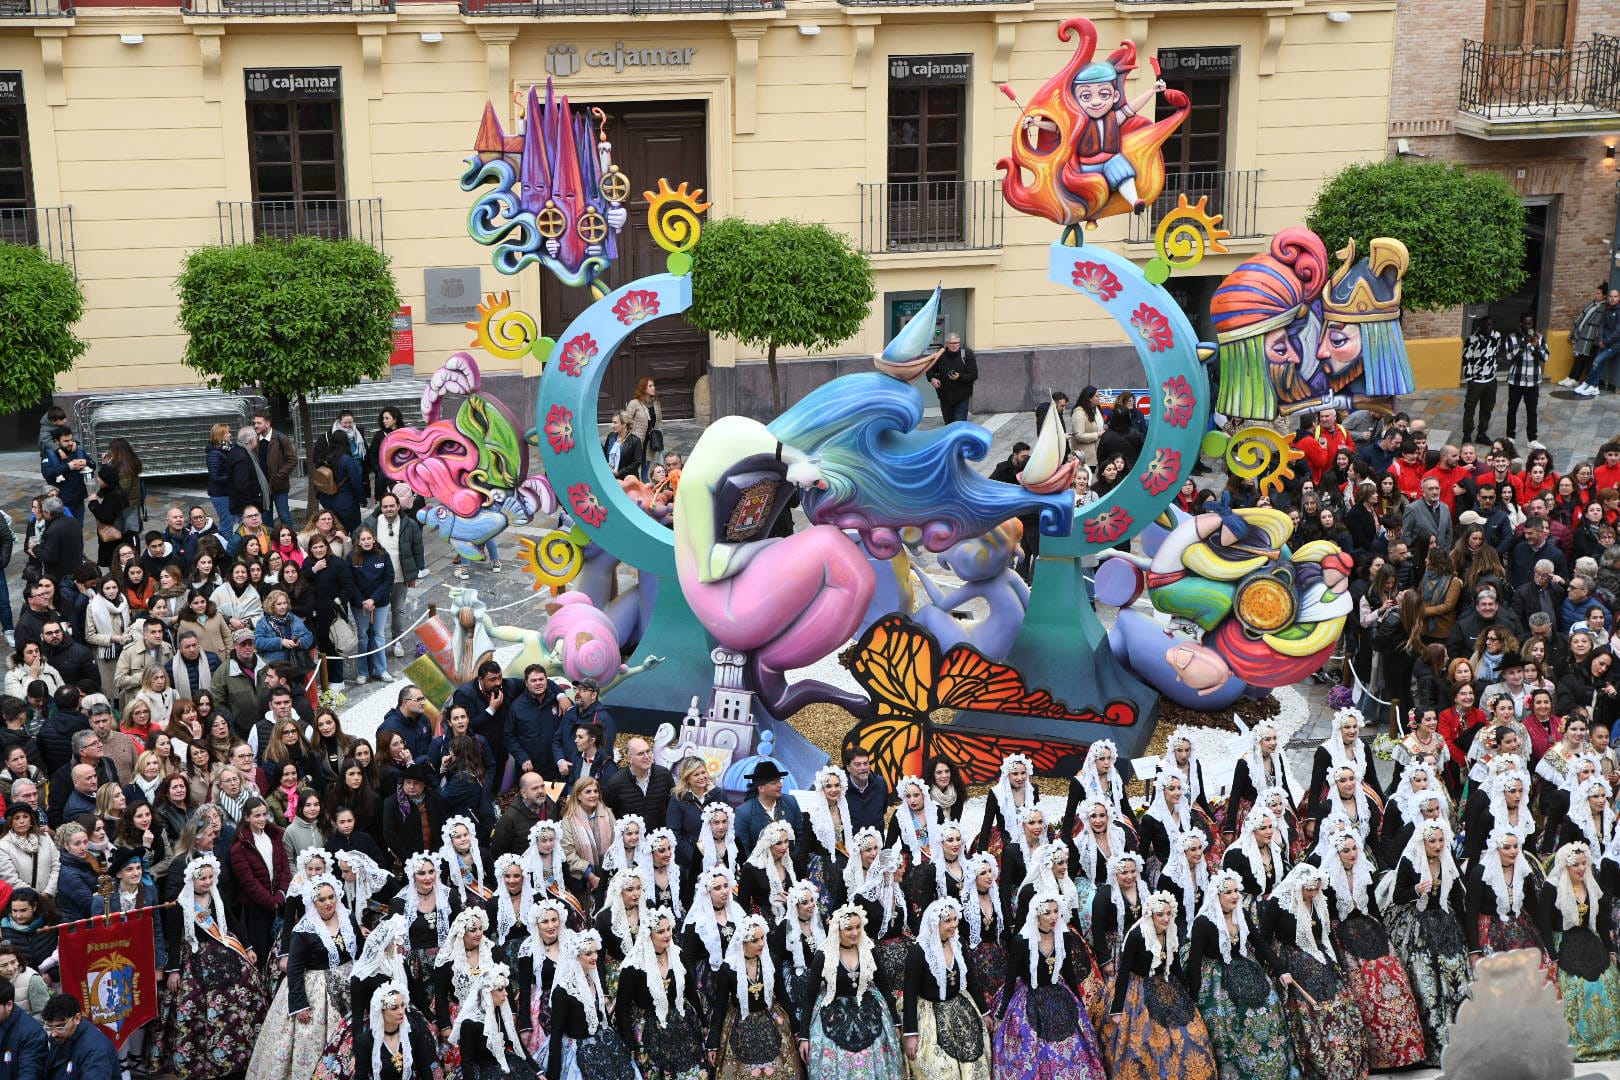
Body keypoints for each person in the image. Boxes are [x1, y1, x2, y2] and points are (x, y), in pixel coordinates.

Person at [158, 853, 268, 1079]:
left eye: (210, 877)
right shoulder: (181, 905)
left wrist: (247, 947)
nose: (207, 882)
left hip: (225, 951)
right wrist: (174, 970)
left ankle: (240, 1051)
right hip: (195, 956)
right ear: (192, 880)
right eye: (202, 879)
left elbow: (234, 922)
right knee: (192, 1000)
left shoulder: (219, 897)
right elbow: (173, 936)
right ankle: (199, 1057)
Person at [246, 876, 360, 1080]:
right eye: (322, 900)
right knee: (313, 1039)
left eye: (331, 897)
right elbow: (295, 969)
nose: (328, 903)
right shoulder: (304, 930)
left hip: (349, 983)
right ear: (313, 903)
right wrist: (299, 1004)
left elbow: (359, 950)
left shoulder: (348, 918)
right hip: (317, 987)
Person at [994, 891, 1107, 1080]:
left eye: (1056, 911)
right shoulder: (1022, 941)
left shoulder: (1063, 936)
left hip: (1058, 996)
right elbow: (1010, 978)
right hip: (1029, 998)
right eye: (1047, 912)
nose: (1053, 916)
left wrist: (1080, 1008)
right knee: (1035, 1052)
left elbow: (1069, 974)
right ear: (1037, 915)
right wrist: (1001, 1013)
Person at [615, 907, 705, 1080]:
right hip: (649, 1029)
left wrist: (702, 1019)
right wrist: (629, 1043)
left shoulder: (677, 954)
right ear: (649, 934)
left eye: (669, 929)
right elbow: (622, 1007)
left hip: (680, 1023)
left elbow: (690, 990)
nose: (667, 935)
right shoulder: (634, 965)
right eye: (660, 931)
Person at [544, 929, 639, 1080]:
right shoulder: (563, 990)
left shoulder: (592, 979)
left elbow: (603, 1018)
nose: (595, 957)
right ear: (575, 956)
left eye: (596, 952)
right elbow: (556, 1034)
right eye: (588, 953)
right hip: (577, 1052)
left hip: (603, 1044)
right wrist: (553, 1075)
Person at [363, 493, 424, 660]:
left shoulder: (409, 524)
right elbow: (357, 540)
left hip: (399, 576)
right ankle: (377, 642)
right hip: (377, 578)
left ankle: (397, 640)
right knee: (377, 611)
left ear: (398, 506)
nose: (389, 509)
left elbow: (417, 548)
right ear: (380, 508)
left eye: (392, 506)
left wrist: (414, 573)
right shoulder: (371, 523)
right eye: (385, 506)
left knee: (398, 610)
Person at [41, 993, 116, 1080]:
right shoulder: (62, 1036)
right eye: (50, 1027)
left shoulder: (96, 1050)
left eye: (60, 1027)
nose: (53, 1034)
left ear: (77, 1018)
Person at [252, 411, 300, 529]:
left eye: (259, 423)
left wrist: (279, 476)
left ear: (267, 424)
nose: (256, 426)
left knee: (284, 516)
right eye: (255, 423)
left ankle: (291, 543)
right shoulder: (254, 439)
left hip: (279, 486)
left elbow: (292, 460)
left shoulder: (280, 438)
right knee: (266, 518)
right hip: (263, 488)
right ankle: (269, 544)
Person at [926, 332, 976, 424]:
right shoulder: (940, 355)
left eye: (957, 343)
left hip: (962, 396)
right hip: (945, 397)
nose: (955, 345)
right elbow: (929, 370)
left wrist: (959, 377)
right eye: (952, 343)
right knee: (948, 424)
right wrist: (932, 378)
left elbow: (973, 375)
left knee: (959, 424)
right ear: (947, 344)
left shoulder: (966, 354)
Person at [601, 413, 643, 483]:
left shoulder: (635, 441)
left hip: (627, 480)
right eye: (612, 422)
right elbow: (605, 455)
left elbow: (636, 463)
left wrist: (619, 472)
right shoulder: (611, 436)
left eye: (615, 423)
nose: (612, 425)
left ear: (624, 424)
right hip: (610, 478)